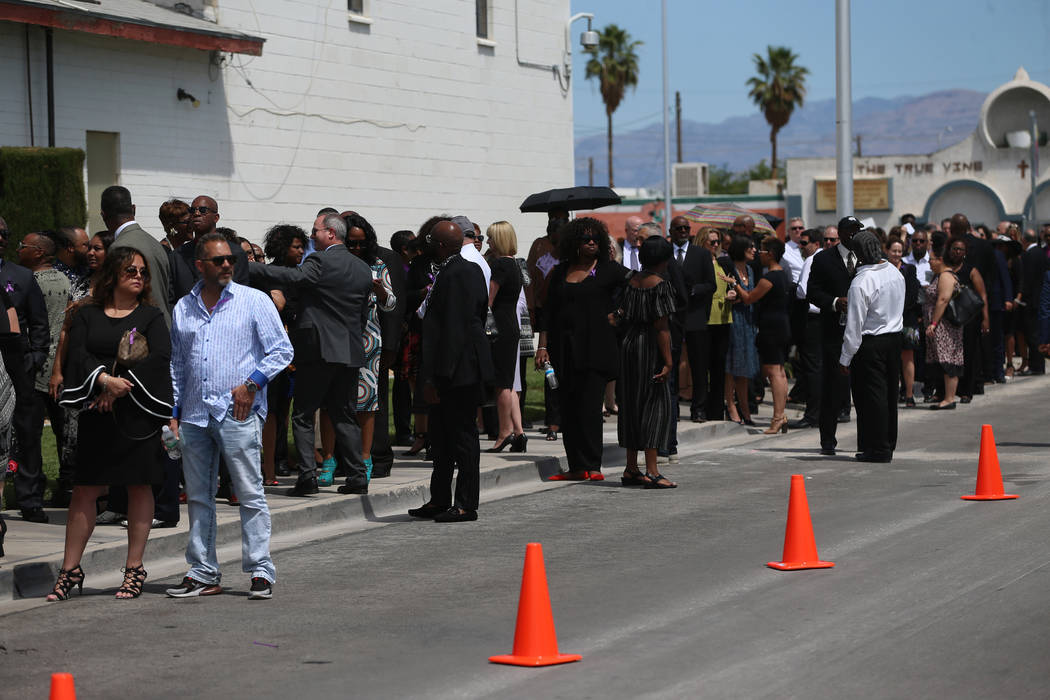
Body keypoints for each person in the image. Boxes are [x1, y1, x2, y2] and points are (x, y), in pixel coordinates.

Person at [165, 234, 292, 600]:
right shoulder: (184, 307)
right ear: (199, 265)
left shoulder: (254, 301)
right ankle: (203, 571)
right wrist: (174, 412)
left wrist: (251, 385)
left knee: (250, 493)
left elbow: (281, 351)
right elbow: (178, 364)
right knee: (199, 497)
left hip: (238, 412)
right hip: (194, 414)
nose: (226, 265)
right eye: (218, 260)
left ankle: (260, 570)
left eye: (230, 260)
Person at [51, 248, 173, 600]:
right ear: (112, 274)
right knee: (86, 488)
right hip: (97, 409)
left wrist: (120, 388)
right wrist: (104, 381)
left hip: (137, 412)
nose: (139, 276)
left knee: (138, 485)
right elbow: (78, 353)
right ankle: (70, 569)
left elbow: (160, 356)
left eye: (143, 272)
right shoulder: (87, 313)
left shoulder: (150, 315)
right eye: (131, 270)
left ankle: (134, 568)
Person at [248, 212, 373, 496]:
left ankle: (307, 477)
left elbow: (293, 277)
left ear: (330, 233)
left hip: (318, 350)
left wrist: (251, 267)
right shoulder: (362, 267)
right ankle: (357, 476)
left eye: (315, 231)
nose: (311, 236)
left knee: (303, 414)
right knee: (344, 414)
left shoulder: (319, 261)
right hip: (349, 351)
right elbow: (361, 314)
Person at [406, 220, 493, 522]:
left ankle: (466, 503)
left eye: (430, 241)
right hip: (452, 367)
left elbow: (455, 330)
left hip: (458, 371)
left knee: (462, 437)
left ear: (441, 245)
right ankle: (440, 498)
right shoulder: (454, 269)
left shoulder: (459, 273)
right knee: (440, 437)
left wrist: (435, 378)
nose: (426, 245)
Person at [536, 218, 628, 480]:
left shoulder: (609, 269)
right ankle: (577, 467)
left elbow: (637, 288)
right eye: (586, 239)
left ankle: (593, 465)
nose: (591, 243)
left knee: (589, 407)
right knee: (568, 407)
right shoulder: (560, 271)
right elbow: (548, 312)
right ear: (574, 242)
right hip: (563, 349)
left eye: (595, 239)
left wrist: (620, 314)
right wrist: (542, 346)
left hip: (596, 349)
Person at [613, 235, 677, 489]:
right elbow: (661, 327)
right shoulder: (661, 285)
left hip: (629, 344)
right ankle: (652, 471)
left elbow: (622, 313)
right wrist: (668, 361)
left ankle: (631, 467)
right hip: (649, 347)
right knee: (654, 405)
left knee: (630, 403)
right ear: (664, 260)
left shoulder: (632, 280)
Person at [337, 213, 396, 484]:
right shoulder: (336, 262)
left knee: (367, 401)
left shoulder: (377, 264)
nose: (357, 248)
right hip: (339, 337)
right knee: (339, 400)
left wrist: (380, 291)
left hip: (368, 339)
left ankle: (365, 457)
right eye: (352, 243)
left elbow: (391, 303)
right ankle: (338, 458)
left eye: (362, 243)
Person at [0, 215, 51, 523]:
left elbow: (39, 322)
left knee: (27, 431)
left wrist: (36, 356)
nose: (1, 238)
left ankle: (30, 499)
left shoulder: (21, 276)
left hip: (17, 362)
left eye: (5, 233)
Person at [838, 231, 904, 462]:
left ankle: (877, 448)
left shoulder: (861, 282)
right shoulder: (894, 272)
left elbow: (854, 326)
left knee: (871, 397)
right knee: (889, 395)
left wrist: (845, 358)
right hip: (894, 338)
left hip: (871, 343)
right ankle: (887, 443)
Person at [18, 233, 72, 509]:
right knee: (64, 432)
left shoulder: (28, 282)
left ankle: (32, 492)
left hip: (36, 368)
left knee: (30, 434)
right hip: (62, 368)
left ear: (38, 252)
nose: (19, 249)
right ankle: (68, 486)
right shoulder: (66, 280)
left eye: (23, 246)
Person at [807, 216, 861, 456]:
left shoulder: (866, 257)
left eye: (857, 230)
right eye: (849, 230)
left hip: (862, 331)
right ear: (840, 233)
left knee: (862, 387)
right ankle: (827, 439)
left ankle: (866, 440)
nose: (853, 234)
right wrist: (834, 302)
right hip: (833, 332)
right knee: (832, 386)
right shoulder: (823, 259)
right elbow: (812, 291)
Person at [726, 236, 791, 434]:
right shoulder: (782, 275)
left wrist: (734, 283)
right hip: (782, 326)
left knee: (773, 372)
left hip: (771, 328)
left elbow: (748, 298)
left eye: (761, 250)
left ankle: (777, 417)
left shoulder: (768, 278)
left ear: (770, 254)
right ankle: (781, 415)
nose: (758, 254)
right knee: (780, 371)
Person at [259, 224, 305, 483]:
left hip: (296, 348)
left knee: (287, 409)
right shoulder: (267, 275)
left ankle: (284, 456)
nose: (301, 251)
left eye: (302, 247)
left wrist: (285, 308)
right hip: (272, 351)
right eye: (296, 247)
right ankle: (272, 462)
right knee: (272, 409)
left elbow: (296, 311)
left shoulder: (301, 275)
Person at [485, 221, 527, 453]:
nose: (488, 242)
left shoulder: (500, 264)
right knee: (509, 382)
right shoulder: (515, 264)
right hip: (511, 325)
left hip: (500, 328)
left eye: (491, 238)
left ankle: (504, 432)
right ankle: (518, 432)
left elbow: (489, 300)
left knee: (501, 383)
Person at [104, 186, 173, 327]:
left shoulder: (118, 248)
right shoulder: (156, 244)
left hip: (139, 331)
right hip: (163, 326)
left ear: (103, 215)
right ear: (134, 209)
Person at [672, 218, 716, 423]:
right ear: (671, 231)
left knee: (699, 366)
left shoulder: (701, 254)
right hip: (672, 316)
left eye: (686, 228)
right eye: (678, 228)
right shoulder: (665, 253)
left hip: (695, 316)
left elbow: (711, 285)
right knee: (671, 365)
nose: (683, 231)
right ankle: (672, 409)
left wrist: (694, 290)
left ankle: (698, 409)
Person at [924, 239, 966, 409]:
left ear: (940, 259)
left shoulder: (946, 276)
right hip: (940, 326)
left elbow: (943, 300)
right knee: (942, 360)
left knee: (949, 359)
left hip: (945, 327)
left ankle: (949, 398)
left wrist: (934, 323)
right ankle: (945, 396)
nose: (929, 263)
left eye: (931, 259)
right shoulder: (939, 275)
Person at [789, 227, 824, 429]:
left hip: (811, 319)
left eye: (804, 243)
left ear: (816, 244)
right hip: (823, 318)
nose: (801, 247)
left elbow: (802, 291)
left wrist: (792, 288)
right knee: (818, 367)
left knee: (812, 369)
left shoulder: (812, 260)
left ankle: (812, 414)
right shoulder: (826, 258)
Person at [723, 235, 758, 425]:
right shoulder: (729, 269)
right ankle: (730, 405)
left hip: (748, 320)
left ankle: (745, 407)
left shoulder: (750, 269)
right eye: (750, 247)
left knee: (745, 365)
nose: (754, 250)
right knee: (731, 365)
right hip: (733, 319)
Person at [886, 237, 921, 407]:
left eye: (900, 251)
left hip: (907, 319)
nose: (897, 254)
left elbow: (912, 295)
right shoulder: (882, 269)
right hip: (887, 320)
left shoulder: (909, 269)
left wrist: (897, 309)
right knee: (890, 358)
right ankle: (891, 393)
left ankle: (909, 394)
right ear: (887, 251)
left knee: (908, 357)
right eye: (894, 251)